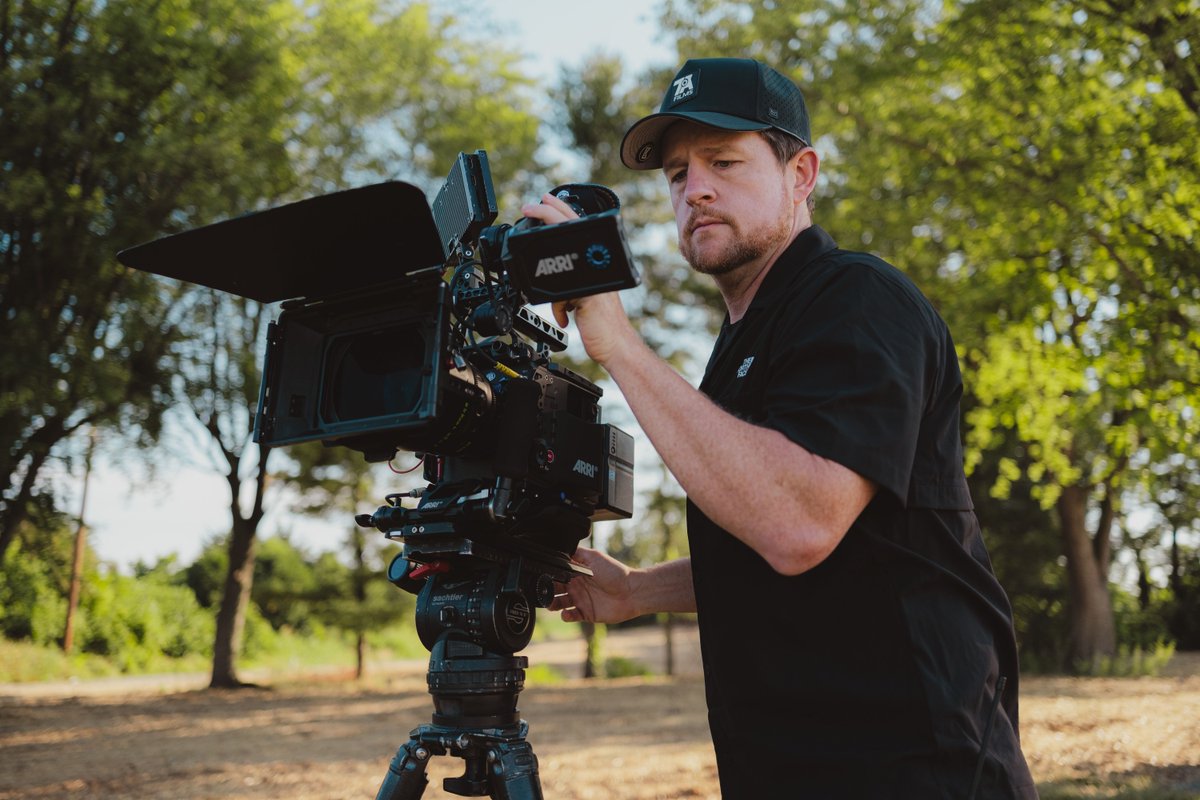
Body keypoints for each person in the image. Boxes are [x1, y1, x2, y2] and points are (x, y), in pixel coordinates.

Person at [522, 57, 1037, 799]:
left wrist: (619, 342)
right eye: (675, 174)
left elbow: (800, 523)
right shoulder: (739, 346)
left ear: (801, 175)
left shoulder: (858, 299)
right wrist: (639, 591)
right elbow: (799, 545)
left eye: (723, 161)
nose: (693, 188)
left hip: (914, 767)